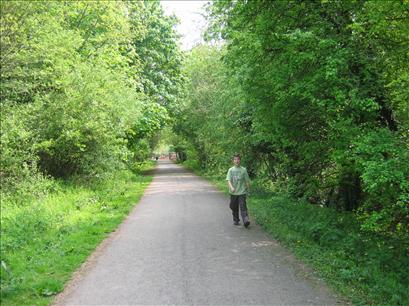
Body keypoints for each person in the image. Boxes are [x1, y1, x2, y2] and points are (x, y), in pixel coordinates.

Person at [226, 153, 251, 228]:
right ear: (233, 161)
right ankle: (236, 219)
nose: (237, 161)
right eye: (235, 159)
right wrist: (231, 187)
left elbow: (247, 181)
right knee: (233, 206)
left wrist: (248, 190)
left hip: (242, 192)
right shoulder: (231, 170)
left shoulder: (243, 170)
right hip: (233, 193)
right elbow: (228, 180)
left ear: (240, 160)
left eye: (238, 159)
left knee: (243, 206)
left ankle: (246, 220)